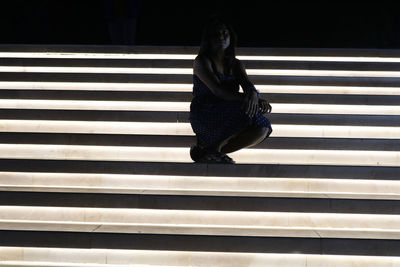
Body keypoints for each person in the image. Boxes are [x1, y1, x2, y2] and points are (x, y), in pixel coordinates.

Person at [189, 16, 273, 164]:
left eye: (225, 33)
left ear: (231, 38)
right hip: (206, 113)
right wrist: (250, 99)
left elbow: (247, 84)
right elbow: (218, 91)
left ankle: (212, 151)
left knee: (262, 129)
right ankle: (213, 149)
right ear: (209, 38)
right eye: (216, 34)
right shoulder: (201, 61)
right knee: (247, 109)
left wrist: (253, 94)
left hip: (231, 110)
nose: (221, 37)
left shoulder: (235, 64)